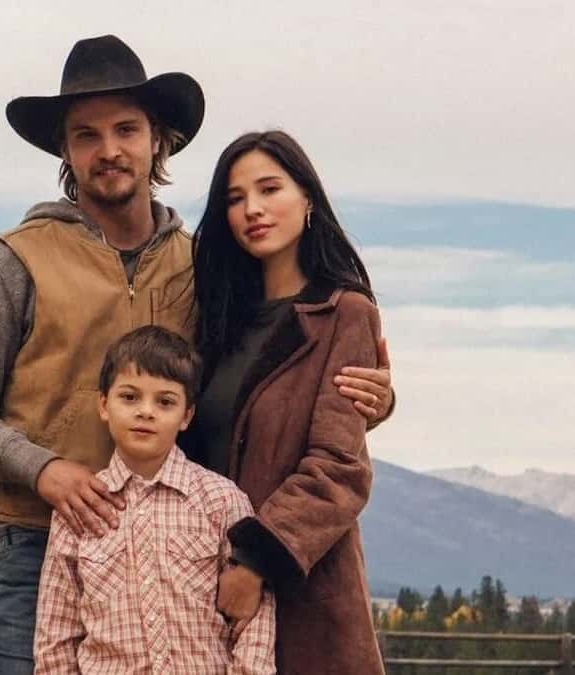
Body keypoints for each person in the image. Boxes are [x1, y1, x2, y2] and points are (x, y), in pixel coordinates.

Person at [0, 35, 392, 674]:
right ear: (65, 150)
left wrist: (371, 400)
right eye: (86, 135)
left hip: (182, 548)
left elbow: (263, 372)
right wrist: (44, 470)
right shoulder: (13, 262)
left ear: (158, 141)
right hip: (39, 545)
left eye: (126, 129)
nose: (109, 149)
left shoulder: (200, 271)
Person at [187, 129, 388, 673]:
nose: (252, 208)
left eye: (269, 188)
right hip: (204, 590)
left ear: (307, 201)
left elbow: (339, 467)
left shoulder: (345, 314)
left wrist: (256, 561)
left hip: (303, 589)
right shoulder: (212, 321)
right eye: (234, 198)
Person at [34, 326, 276, 674]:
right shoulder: (81, 507)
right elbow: (56, 634)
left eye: (165, 401)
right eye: (130, 397)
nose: (146, 412)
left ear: (187, 416)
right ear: (104, 404)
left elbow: (256, 623)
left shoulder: (222, 501)